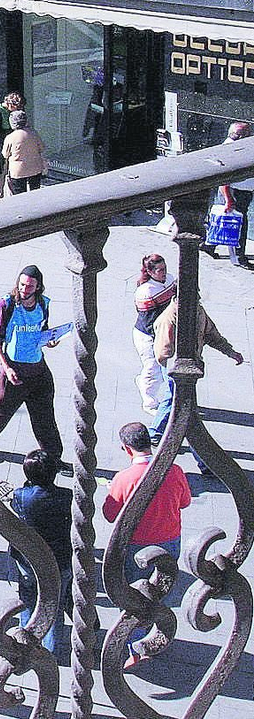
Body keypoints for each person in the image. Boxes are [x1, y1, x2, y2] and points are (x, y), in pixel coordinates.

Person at [102, 421, 191, 668]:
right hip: (170, 540)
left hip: (136, 547)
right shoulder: (174, 471)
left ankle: (137, 646)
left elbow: (110, 515)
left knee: (135, 595)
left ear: (127, 449)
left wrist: (113, 490)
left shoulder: (124, 478)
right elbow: (184, 502)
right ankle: (157, 634)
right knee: (160, 590)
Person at [150, 294, 242, 474]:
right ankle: (203, 462)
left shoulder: (197, 311)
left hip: (191, 368)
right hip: (177, 371)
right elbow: (163, 351)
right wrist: (174, 370)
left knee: (174, 405)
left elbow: (211, 333)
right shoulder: (169, 318)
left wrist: (230, 352)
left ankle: (155, 431)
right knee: (186, 412)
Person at [0, 265, 64, 464]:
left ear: (38, 287)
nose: (24, 289)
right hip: (15, 371)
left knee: (45, 417)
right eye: (22, 285)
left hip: (38, 370)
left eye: (29, 286)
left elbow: (42, 329)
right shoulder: (6, 305)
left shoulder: (43, 304)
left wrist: (50, 340)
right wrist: (6, 367)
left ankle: (53, 456)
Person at [9, 449, 73, 657]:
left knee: (28, 599)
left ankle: (25, 640)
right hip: (59, 558)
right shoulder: (66, 496)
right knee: (54, 605)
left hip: (28, 560)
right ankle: (50, 649)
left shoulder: (21, 496)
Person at [132, 254, 177, 419]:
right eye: (160, 270)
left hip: (162, 332)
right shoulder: (145, 292)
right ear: (150, 272)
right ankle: (149, 402)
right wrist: (161, 339)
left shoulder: (170, 280)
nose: (164, 273)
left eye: (165, 269)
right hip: (147, 335)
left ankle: (144, 383)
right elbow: (149, 321)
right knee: (154, 368)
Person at [206, 121, 254, 266]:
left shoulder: (239, 147)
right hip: (235, 192)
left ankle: (209, 246)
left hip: (241, 191)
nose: (250, 135)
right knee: (238, 224)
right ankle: (239, 257)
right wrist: (228, 199)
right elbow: (224, 178)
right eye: (247, 133)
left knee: (225, 221)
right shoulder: (230, 149)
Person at [1, 111, 48, 194]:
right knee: (35, 192)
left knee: (19, 195)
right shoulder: (34, 134)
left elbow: (5, 154)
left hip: (18, 171)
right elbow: (42, 148)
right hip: (35, 168)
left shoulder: (10, 137)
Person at [0, 93, 24, 198]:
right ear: (9, 104)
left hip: (9, 144)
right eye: (15, 108)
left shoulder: (10, 112)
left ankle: (11, 197)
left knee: (11, 174)